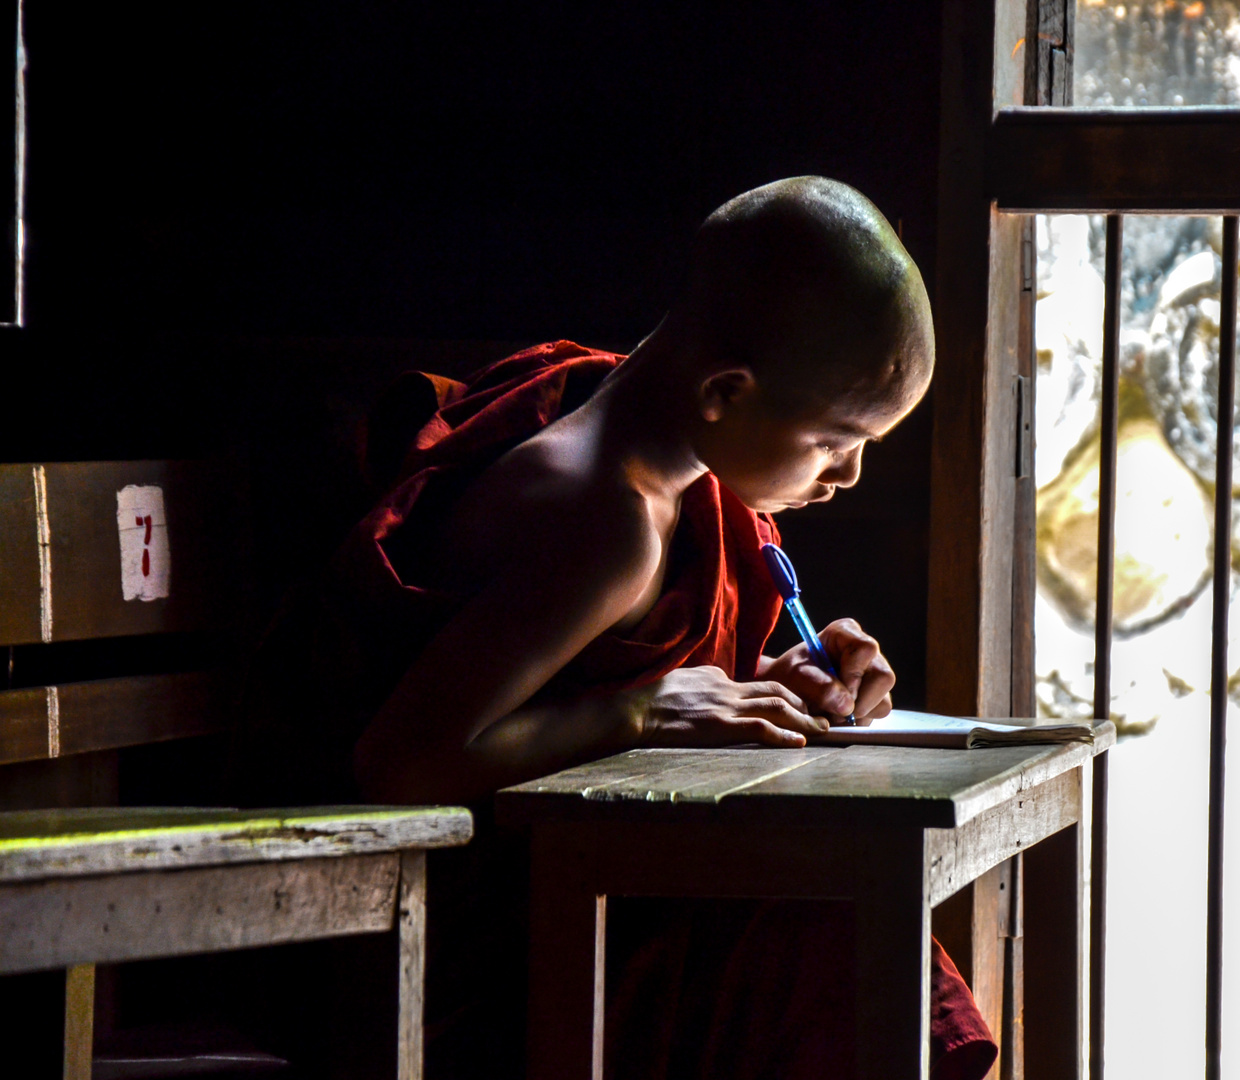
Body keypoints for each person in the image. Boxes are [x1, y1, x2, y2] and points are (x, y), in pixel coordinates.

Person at [284, 176, 996, 1079]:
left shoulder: (662, 448)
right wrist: (643, 714)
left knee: (835, 905)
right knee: (828, 919)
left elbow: (580, 672)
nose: (848, 475)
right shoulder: (606, 523)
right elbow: (401, 762)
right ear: (724, 392)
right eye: (833, 439)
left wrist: (772, 678)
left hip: (578, 878)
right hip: (466, 945)